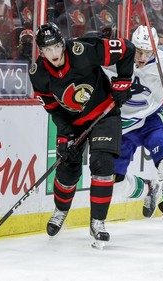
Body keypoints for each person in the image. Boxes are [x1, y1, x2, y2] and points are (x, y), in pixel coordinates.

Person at [28, 22, 135, 249]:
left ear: (63, 44)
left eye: (57, 47)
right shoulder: (38, 74)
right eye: (47, 50)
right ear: (41, 51)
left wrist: (123, 81)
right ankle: (60, 211)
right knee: (67, 168)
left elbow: (127, 48)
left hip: (104, 112)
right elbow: (53, 109)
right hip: (73, 122)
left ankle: (97, 221)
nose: (54, 54)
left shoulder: (83, 51)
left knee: (102, 163)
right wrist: (64, 135)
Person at [105, 25, 163, 243]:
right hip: (121, 123)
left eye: (148, 52)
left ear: (156, 50)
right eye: (138, 50)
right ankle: (149, 188)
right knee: (114, 185)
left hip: (151, 120)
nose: (142, 57)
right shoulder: (114, 57)